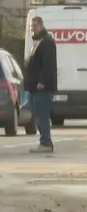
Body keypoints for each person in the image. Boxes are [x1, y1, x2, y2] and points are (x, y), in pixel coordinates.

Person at [23, 16, 58, 153]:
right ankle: (43, 141)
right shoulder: (37, 42)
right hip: (33, 87)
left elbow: (48, 65)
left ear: (41, 25)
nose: (33, 29)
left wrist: (42, 81)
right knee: (37, 115)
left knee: (42, 115)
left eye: (35, 26)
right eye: (31, 27)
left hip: (42, 88)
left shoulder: (47, 42)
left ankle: (46, 143)